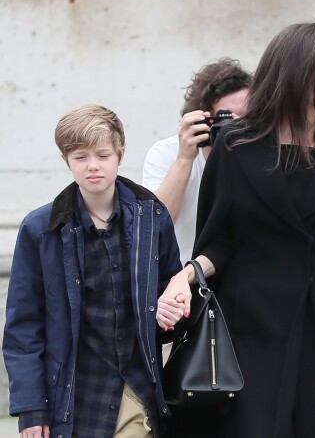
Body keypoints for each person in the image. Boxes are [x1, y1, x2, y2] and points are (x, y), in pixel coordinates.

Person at [157, 21, 315, 438]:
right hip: (248, 331)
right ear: (304, 71)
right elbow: (218, 242)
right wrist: (182, 277)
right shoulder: (235, 145)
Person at [2, 104, 182, 438]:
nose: (93, 166)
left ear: (120, 154)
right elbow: (23, 328)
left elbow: (174, 293)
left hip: (139, 390)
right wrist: (31, 409)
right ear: (65, 160)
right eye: (80, 157)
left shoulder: (152, 219)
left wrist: (172, 311)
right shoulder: (40, 229)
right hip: (73, 397)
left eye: (102, 155)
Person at [142, 58, 251, 265]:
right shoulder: (167, 153)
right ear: (205, 120)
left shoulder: (261, 153)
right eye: (227, 118)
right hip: (178, 278)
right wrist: (185, 160)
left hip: (237, 281)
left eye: (247, 117)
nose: (238, 128)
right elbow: (155, 227)